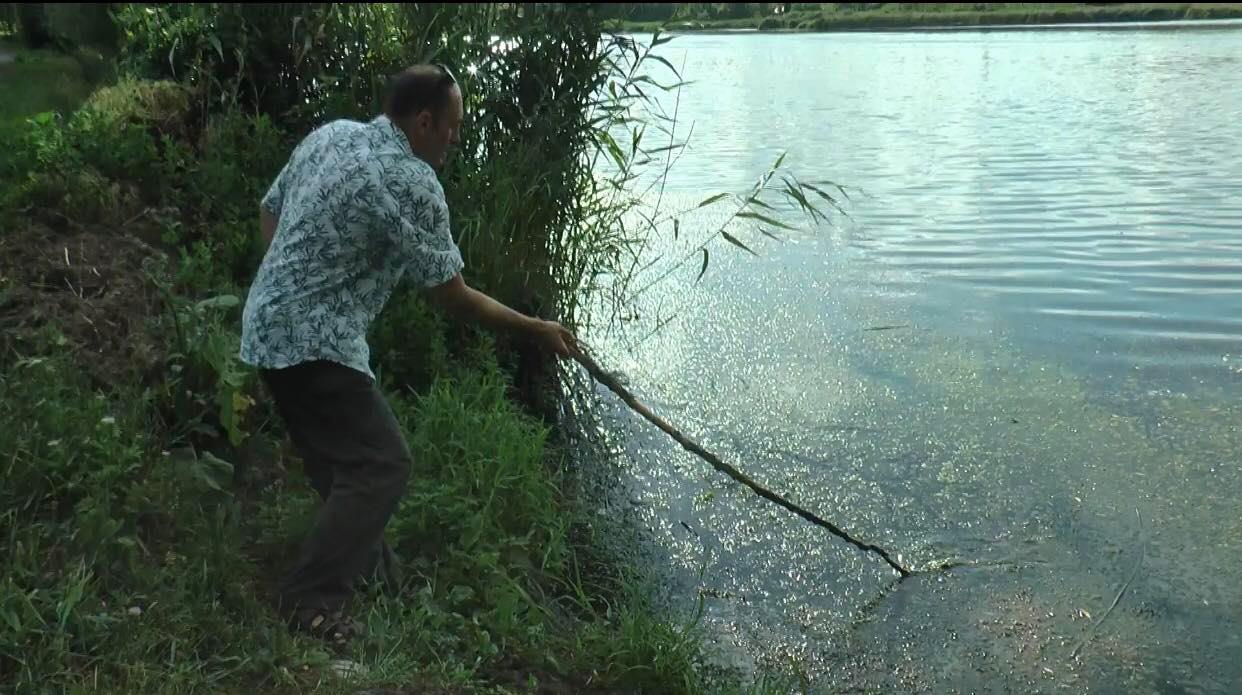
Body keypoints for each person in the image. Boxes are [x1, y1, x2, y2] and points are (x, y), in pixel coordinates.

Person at [239, 63, 578, 644]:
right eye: (452, 126)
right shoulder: (412, 183)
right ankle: (309, 601)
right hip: (313, 342)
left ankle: (371, 571)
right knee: (382, 464)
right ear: (424, 122)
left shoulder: (334, 134)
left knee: (342, 465)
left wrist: (289, 277)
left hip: (265, 325)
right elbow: (452, 296)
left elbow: (270, 207)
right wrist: (536, 327)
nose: (456, 138)